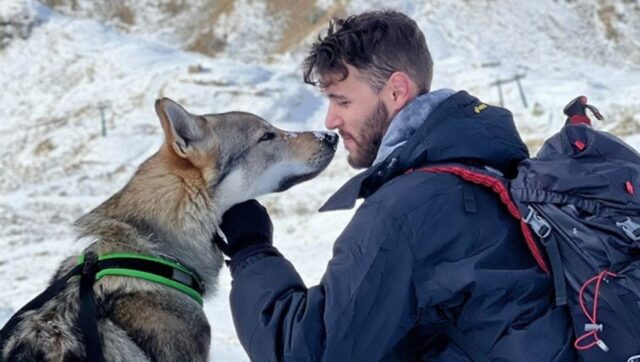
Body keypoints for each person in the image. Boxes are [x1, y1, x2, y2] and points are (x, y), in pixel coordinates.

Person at [217, 9, 575, 361]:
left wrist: (252, 250)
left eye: (343, 101)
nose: (331, 119)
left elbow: (307, 351)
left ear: (396, 91)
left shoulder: (407, 209)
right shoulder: (493, 168)